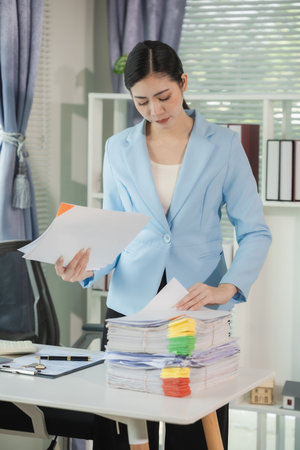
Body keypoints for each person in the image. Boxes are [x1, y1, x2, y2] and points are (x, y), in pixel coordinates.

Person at [55, 40, 272, 449]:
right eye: (141, 102)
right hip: (130, 305)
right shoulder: (117, 149)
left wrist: (228, 287)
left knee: (189, 427)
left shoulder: (223, 146)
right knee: (120, 427)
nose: (155, 110)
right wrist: (86, 268)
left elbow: (256, 231)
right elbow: (115, 232)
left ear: (183, 83)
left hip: (197, 303)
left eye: (164, 96)